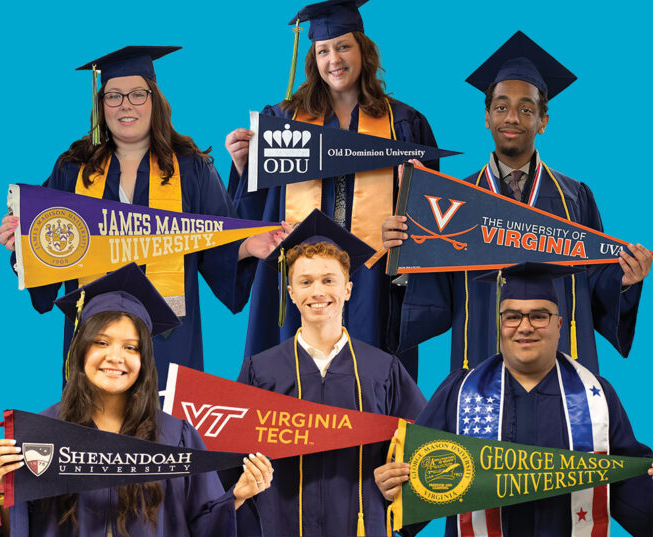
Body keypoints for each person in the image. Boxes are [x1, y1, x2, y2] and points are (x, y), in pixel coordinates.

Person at [0, 46, 287, 384]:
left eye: (137, 94)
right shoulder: (72, 170)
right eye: (114, 97)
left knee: (164, 430)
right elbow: (51, 247)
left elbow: (216, 244)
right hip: (94, 342)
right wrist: (21, 245)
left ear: (155, 99)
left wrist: (249, 246)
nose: (126, 105)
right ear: (100, 105)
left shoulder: (192, 168)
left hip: (169, 344)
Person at [387, 31, 652, 374]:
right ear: (487, 117)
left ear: (542, 121)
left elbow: (594, 279)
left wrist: (625, 278)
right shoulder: (456, 198)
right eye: (501, 107)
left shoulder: (575, 197)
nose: (511, 117)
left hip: (560, 365)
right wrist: (408, 249)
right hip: (482, 355)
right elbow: (437, 291)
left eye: (525, 109)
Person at [224, 0, 438, 378]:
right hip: (294, 284)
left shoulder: (403, 124)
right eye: (323, 50)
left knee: (367, 390)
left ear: (363, 51)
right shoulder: (283, 121)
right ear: (313, 57)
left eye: (343, 46)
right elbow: (253, 220)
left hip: (372, 287)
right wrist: (244, 168)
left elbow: (431, 228)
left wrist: (415, 202)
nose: (334, 59)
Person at [0, 264, 274, 536]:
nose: (115, 357)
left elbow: (201, 524)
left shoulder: (176, 437)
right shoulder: (43, 433)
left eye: (131, 347)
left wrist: (238, 495)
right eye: (101, 342)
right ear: (80, 350)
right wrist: (3, 487)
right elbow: (19, 528)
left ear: (144, 361)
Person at [375, 262, 653, 537]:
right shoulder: (457, 393)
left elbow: (626, 488)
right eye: (512, 316)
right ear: (499, 324)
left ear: (558, 324)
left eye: (539, 316)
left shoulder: (596, 396)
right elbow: (411, 491)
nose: (525, 327)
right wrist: (388, 489)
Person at [235, 210, 426, 536]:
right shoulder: (260, 371)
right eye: (305, 282)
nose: (317, 292)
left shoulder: (383, 370)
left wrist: (403, 491)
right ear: (291, 293)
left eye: (329, 280)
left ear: (348, 289)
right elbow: (230, 462)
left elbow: (427, 451)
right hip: (283, 526)